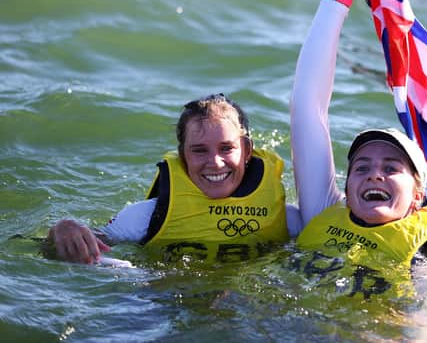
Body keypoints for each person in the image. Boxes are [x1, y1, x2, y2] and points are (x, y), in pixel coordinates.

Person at [290, 0, 427, 271]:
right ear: (346, 189)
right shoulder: (324, 213)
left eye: (391, 168)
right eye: (361, 168)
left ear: (418, 195)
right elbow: (306, 109)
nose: (374, 174)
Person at [46, 93, 305, 265]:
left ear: (247, 151)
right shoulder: (147, 217)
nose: (215, 162)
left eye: (226, 148)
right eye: (199, 150)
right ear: (182, 157)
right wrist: (63, 230)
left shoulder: (286, 219)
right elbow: (79, 245)